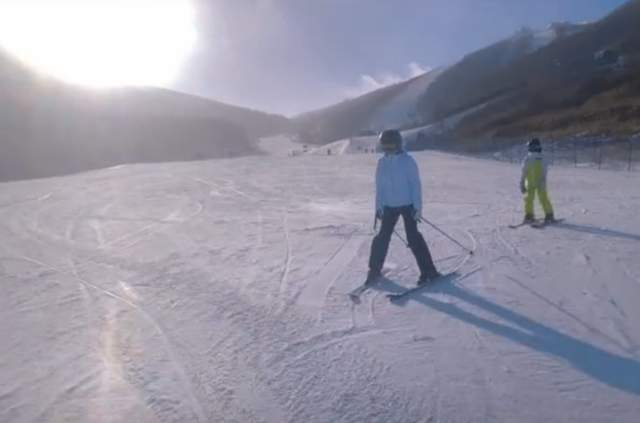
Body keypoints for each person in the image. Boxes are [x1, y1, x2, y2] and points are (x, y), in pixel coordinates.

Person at [367, 129, 441, 285]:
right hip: (388, 206)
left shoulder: (408, 161)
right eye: (385, 146)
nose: (388, 150)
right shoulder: (382, 163)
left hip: (408, 206)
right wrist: (378, 207)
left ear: (398, 144)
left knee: (413, 238)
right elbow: (380, 187)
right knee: (382, 238)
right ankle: (374, 270)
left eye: (391, 146)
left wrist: (417, 207)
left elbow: (415, 185)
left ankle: (429, 271)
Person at [520, 138, 555, 223]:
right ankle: (548, 214)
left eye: (529, 146)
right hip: (537, 183)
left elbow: (524, 172)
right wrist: (522, 183)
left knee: (530, 199)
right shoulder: (540, 158)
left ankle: (530, 215)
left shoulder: (530, 158)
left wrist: (522, 183)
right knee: (541, 198)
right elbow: (544, 171)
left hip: (532, 182)